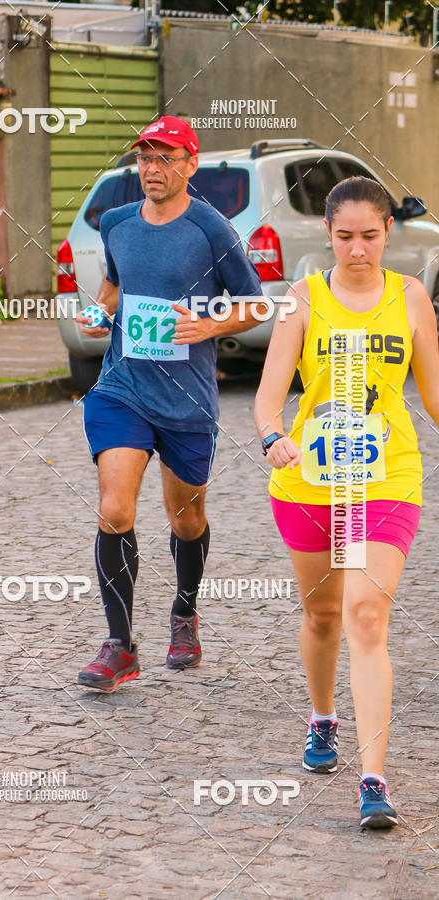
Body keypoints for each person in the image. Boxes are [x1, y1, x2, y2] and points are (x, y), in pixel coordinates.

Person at [254, 175, 439, 829]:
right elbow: (267, 398)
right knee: (325, 613)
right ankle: (322, 716)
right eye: (344, 237)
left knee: (365, 617)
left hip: (382, 480)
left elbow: (435, 400)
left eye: (369, 236)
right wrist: (275, 436)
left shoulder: (412, 298)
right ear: (327, 235)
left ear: (389, 231)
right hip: (308, 481)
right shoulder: (301, 299)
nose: (357, 250)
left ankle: (373, 779)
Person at [75, 115, 263, 691]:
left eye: (164, 157)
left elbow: (255, 306)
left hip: (186, 401)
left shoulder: (212, 229)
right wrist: (99, 312)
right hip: (121, 388)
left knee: (187, 519)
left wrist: (207, 328)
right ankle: (119, 645)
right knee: (116, 510)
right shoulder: (118, 222)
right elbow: (114, 282)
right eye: (144, 158)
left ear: (190, 164)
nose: (151, 169)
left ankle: (184, 614)